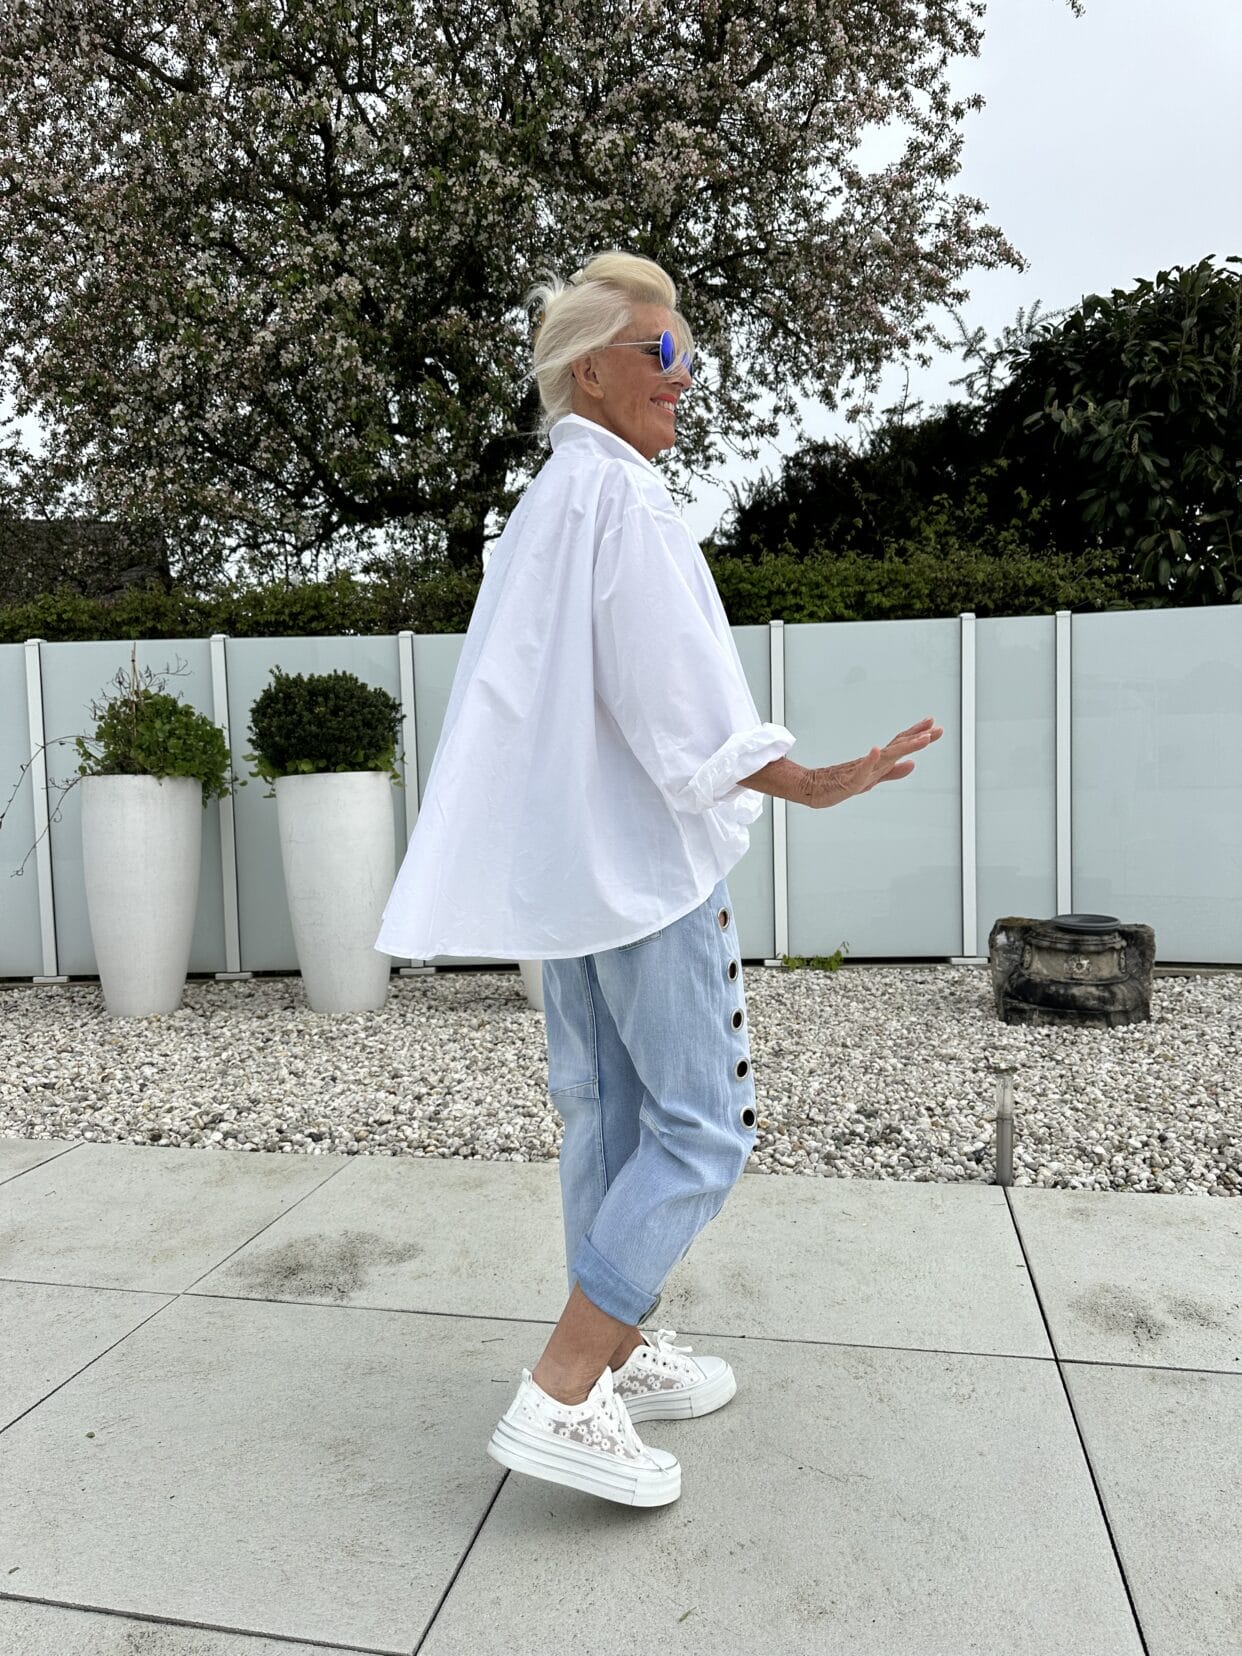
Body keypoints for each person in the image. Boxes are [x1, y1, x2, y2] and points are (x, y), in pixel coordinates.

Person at [375, 251, 943, 1509]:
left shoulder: (547, 502)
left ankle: (615, 1356)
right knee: (701, 1129)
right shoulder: (625, 503)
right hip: (640, 869)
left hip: (573, 874)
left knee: (610, 1116)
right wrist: (812, 780)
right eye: (665, 353)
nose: (686, 378)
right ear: (592, 370)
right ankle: (566, 1388)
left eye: (691, 354)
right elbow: (677, 702)